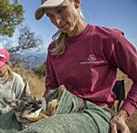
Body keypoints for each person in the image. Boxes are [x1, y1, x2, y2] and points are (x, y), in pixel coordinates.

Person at [26, 0, 136, 133]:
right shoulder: (53, 49)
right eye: (50, 16)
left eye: (61, 10)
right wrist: (42, 110)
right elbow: (51, 88)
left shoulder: (108, 39)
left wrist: (122, 115)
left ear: (76, 3)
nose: (58, 22)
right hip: (62, 108)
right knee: (3, 118)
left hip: (97, 113)